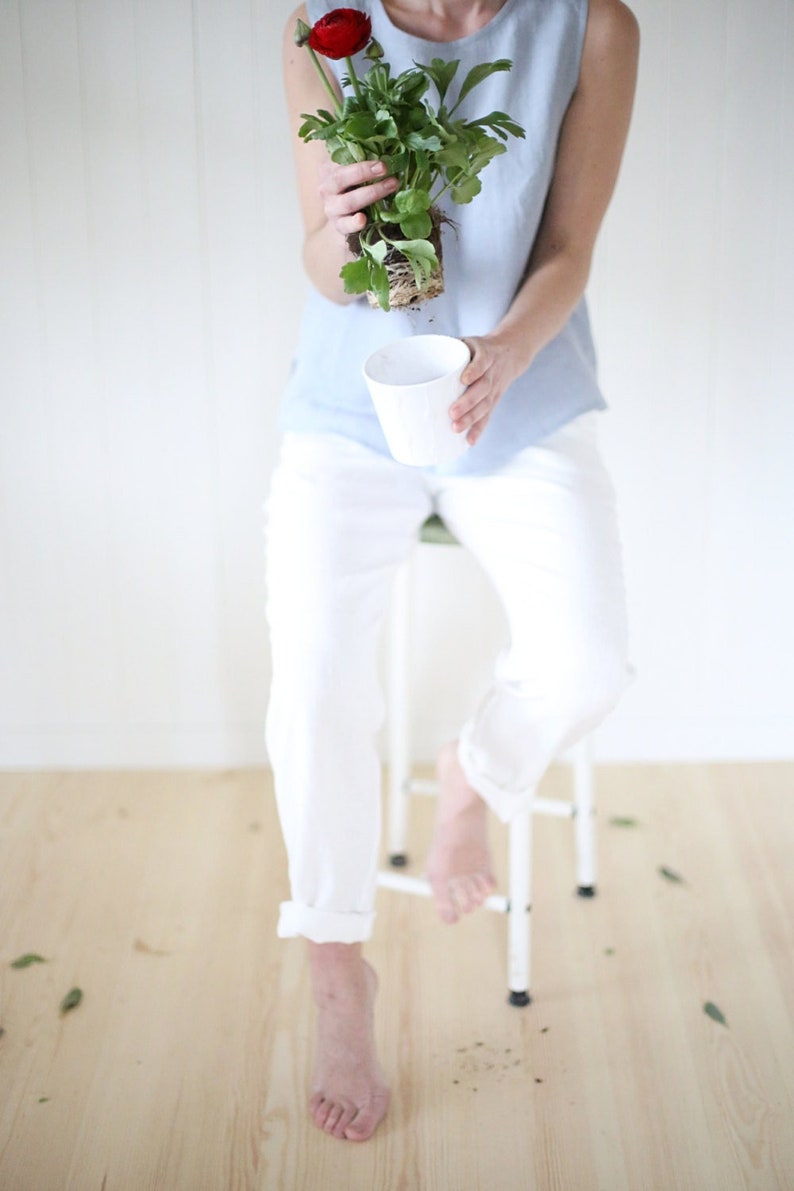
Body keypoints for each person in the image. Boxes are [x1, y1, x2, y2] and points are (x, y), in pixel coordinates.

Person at [267, 0, 639, 1143]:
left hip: (517, 393)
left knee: (587, 663)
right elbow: (324, 269)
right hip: (351, 403)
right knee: (316, 677)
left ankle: (472, 770)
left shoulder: (595, 28)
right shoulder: (319, 25)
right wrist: (338, 231)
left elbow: (568, 247)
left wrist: (501, 354)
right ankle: (336, 964)